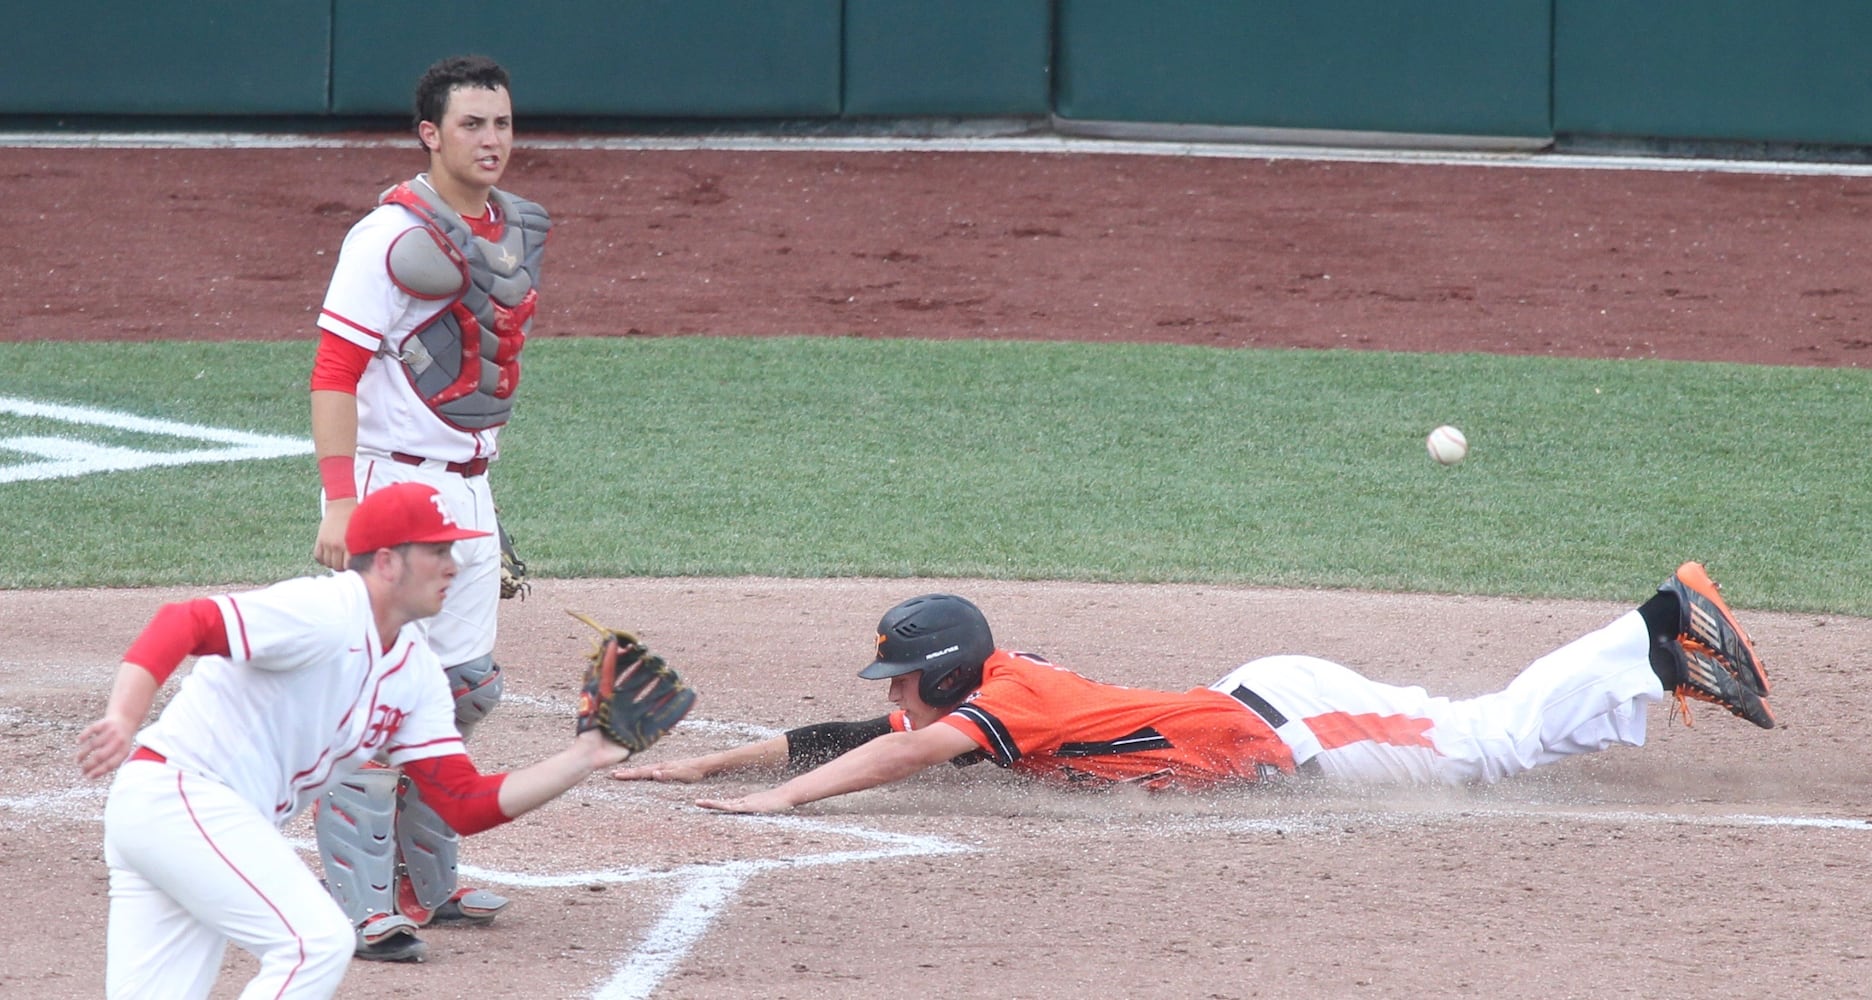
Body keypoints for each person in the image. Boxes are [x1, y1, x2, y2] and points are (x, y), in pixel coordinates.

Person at [613, 563, 1776, 812]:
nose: (896, 698)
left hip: (1294, 720)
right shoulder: (986, 692)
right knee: (1484, 739)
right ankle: (1650, 645)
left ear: (954, 674)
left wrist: (768, 808)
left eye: (908, 679)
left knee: (1489, 741)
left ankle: (1661, 623)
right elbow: (843, 733)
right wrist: (711, 764)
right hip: (1258, 698)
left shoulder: (990, 708)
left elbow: (896, 752)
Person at [76, 482, 634, 998]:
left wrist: (584, 755)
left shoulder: (416, 669)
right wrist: (124, 719)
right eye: (437, 551)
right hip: (182, 798)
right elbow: (185, 621)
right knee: (314, 942)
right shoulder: (323, 611)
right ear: (388, 562)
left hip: (189, 825)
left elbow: (464, 803)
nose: (453, 565)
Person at [307, 53, 550, 957]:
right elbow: (334, 374)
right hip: (390, 485)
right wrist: (341, 503)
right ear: (430, 135)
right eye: (472, 126)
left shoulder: (506, 228)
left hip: (465, 488)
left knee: (462, 688)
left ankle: (425, 876)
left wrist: (478, 496)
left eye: (502, 123)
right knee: (377, 703)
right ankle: (359, 903)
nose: (492, 141)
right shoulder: (385, 238)